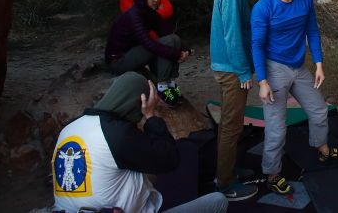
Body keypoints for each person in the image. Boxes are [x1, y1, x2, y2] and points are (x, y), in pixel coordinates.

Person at [52, 71, 228, 213]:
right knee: (217, 202)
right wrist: (151, 115)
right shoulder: (117, 134)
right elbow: (169, 159)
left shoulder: (69, 129)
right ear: (139, 103)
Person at [251, 0, 338, 195]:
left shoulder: (304, 0)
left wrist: (319, 64)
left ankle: (322, 149)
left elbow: (312, 31)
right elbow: (257, 45)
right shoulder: (263, 8)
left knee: (319, 110)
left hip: (299, 66)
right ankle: (272, 174)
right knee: (276, 126)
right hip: (274, 69)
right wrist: (262, 81)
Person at [209, 0, 259, 201]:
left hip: (226, 67)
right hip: (231, 70)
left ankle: (226, 170)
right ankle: (225, 185)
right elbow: (232, 34)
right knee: (231, 126)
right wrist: (243, 72)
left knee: (230, 123)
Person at [106, 0, 190, 107]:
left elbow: (166, 32)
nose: (156, 0)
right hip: (119, 61)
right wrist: (177, 54)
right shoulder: (134, 16)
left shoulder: (150, 13)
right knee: (168, 43)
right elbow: (149, 44)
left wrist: (185, 50)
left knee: (173, 40)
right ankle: (162, 88)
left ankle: (170, 84)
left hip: (132, 53)